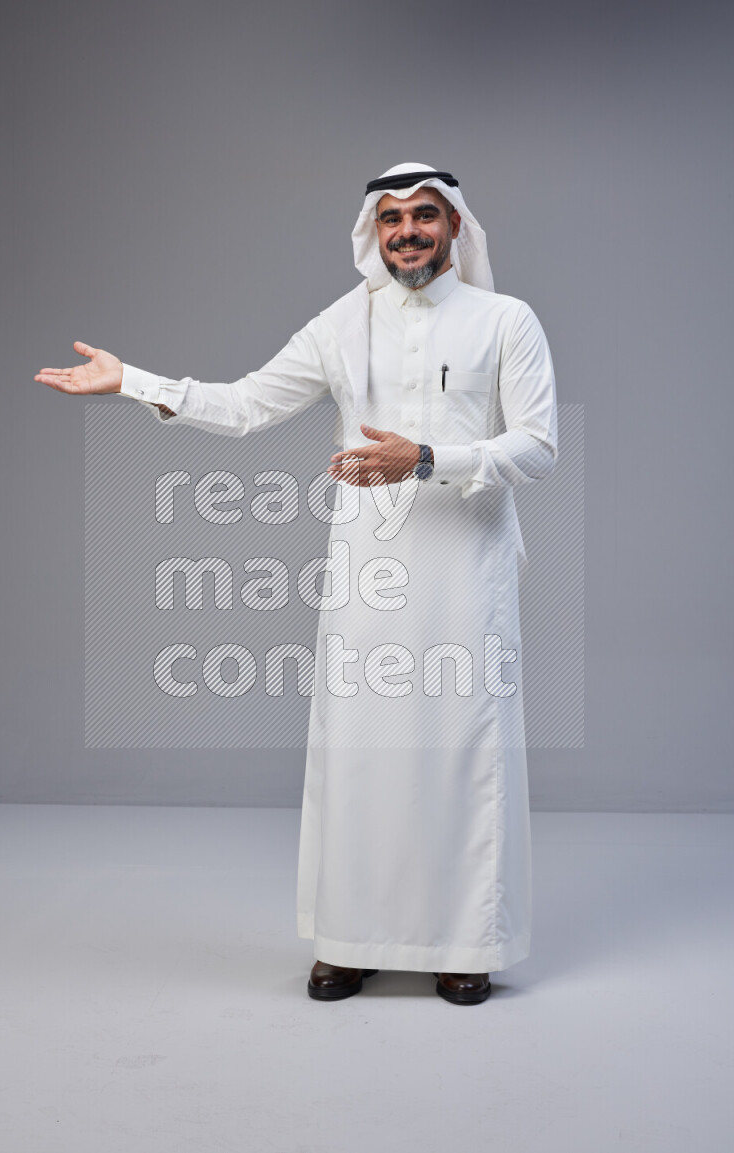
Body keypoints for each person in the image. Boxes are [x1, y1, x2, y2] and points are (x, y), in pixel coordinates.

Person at [36, 162, 558, 1006]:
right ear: (372, 231)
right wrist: (133, 382)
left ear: (456, 227)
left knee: (464, 749)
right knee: (357, 752)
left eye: (426, 216)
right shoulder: (340, 327)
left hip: (469, 572)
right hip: (367, 575)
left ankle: (468, 941)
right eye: (391, 219)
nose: (408, 233)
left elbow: (537, 446)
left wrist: (426, 459)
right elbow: (244, 405)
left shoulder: (506, 321)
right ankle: (350, 940)